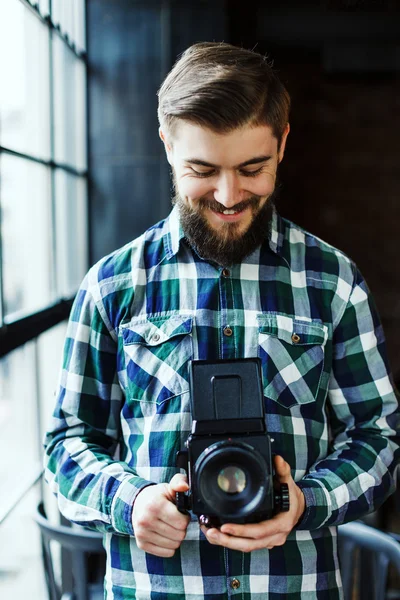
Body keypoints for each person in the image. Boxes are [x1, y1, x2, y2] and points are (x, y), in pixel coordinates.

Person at [44, 42, 399, 599]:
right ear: (167, 145)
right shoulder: (111, 286)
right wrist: (129, 502)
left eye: (252, 168)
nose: (230, 196)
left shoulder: (334, 283)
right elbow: (67, 442)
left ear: (282, 144)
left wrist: (307, 500)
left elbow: (380, 437)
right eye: (202, 170)